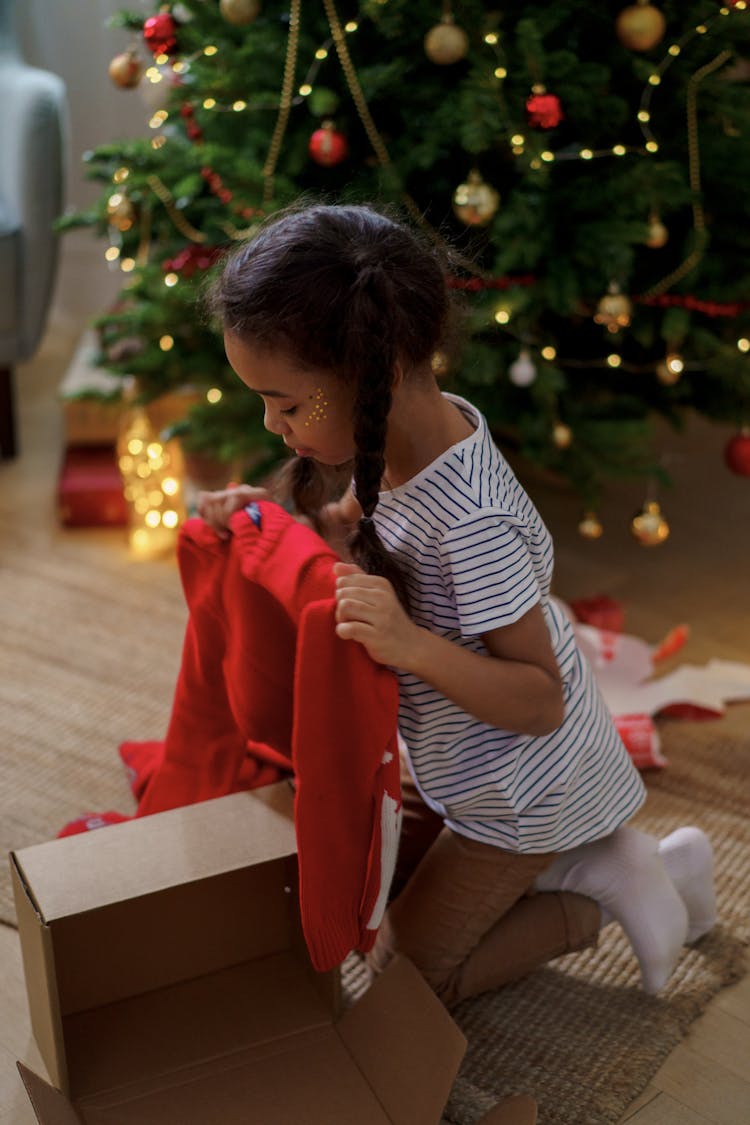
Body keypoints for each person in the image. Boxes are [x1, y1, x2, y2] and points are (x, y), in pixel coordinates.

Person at [199, 201, 716, 1005]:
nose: (273, 425)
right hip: (451, 765)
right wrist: (263, 521)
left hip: (518, 795)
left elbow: (542, 699)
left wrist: (408, 644)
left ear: (368, 375)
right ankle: (620, 862)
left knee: (408, 983)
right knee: (355, 894)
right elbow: (360, 535)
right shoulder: (407, 448)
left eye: (289, 404)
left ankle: (597, 890)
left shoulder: (472, 523)